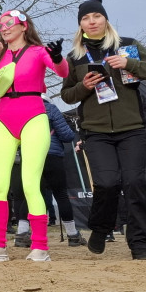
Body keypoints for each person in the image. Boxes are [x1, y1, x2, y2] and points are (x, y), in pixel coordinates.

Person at [60, 0, 146, 260]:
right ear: (80, 25)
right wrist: (84, 85)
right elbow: (67, 96)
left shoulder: (128, 46)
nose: (92, 21)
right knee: (106, 184)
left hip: (133, 129)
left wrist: (131, 65)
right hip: (96, 132)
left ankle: (140, 244)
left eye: (96, 16)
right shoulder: (74, 57)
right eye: (86, 18)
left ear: (105, 19)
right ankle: (100, 228)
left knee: (135, 184)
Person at [0, 10, 68, 262]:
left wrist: (58, 58)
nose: (3, 28)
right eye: (0, 25)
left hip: (34, 117)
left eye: (8, 24)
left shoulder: (39, 52)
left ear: (23, 26)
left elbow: (62, 73)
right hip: (3, 121)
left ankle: (40, 246)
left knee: (29, 182)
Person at [41, 98, 85, 246]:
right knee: (60, 194)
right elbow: (67, 136)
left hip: (31, 156)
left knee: (32, 194)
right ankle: (72, 235)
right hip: (52, 155)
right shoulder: (51, 109)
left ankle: (24, 232)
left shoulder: (22, 109)